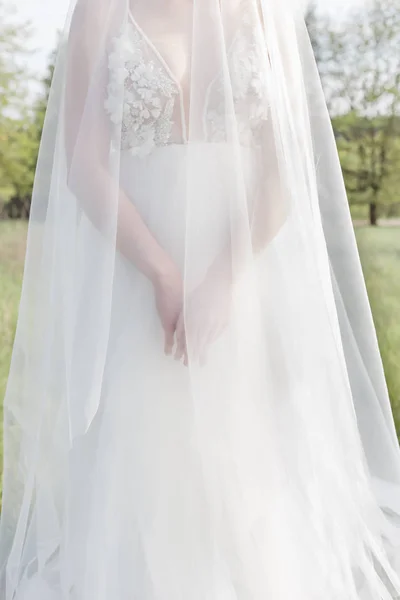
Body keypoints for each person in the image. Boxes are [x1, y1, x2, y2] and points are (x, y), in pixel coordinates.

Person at [1, 0, 400, 598]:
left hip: (241, 271)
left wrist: (220, 280)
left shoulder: (264, 12)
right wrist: (164, 274)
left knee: (246, 450)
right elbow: (82, 163)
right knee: (143, 444)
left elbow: (283, 169)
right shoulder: (101, 9)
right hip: (138, 267)